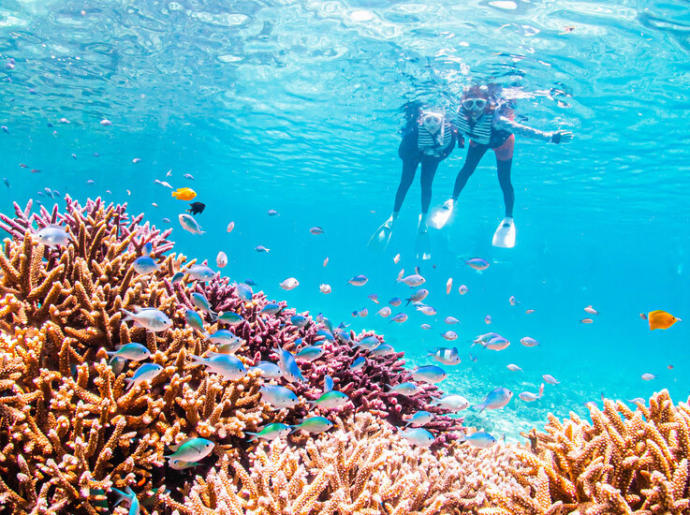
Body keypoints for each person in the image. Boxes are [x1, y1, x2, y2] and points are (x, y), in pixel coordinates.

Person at [429, 84, 573, 247]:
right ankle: (452, 199)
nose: (475, 109)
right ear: (463, 105)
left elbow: (521, 129)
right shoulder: (461, 117)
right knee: (467, 169)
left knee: (504, 180)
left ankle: (509, 217)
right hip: (478, 141)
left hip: (502, 143)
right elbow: (447, 126)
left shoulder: (498, 120)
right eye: (470, 104)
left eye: (479, 104)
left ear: (487, 104)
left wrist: (550, 137)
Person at [369, 101, 460, 259]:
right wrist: (416, 155)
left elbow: (450, 147)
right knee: (405, 183)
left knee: (426, 186)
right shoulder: (414, 132)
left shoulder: (449, 133)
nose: (432, 124)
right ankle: (393, 216)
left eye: (436, 120)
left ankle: (424, 219)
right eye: (428, 120)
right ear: (422, 120)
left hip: (432, 157)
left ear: (442, 122)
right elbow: (402, 152)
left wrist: (438, 156)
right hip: (412, 155)